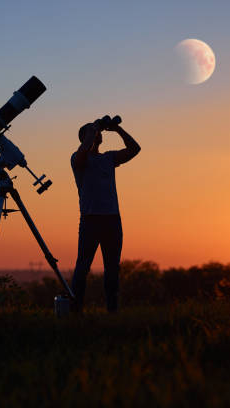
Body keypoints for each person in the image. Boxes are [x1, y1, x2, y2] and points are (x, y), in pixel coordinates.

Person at [70, 115, 141, 312]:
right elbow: (83, 153)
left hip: (111, 219)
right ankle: (76, 310)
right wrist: (93, 129)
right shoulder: (77, 159)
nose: (97, 134)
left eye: (98, 132)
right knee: (83, 267)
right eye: (92, 133)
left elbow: (135, 149)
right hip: (90, 220)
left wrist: (117, 129)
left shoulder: (108, 158)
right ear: (84, 137)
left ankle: (112, 310)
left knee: (112, 269)